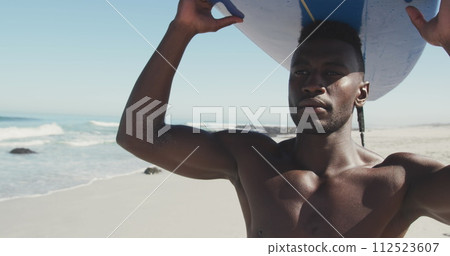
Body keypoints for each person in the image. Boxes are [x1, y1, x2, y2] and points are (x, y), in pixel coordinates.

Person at [116, 0, 450, 237]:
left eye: (332, 72)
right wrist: (182, 29)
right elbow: (138, 135)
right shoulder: (253, 158)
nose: (312, 83)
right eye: (300, 70)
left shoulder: (400, 180)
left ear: (362, 92)